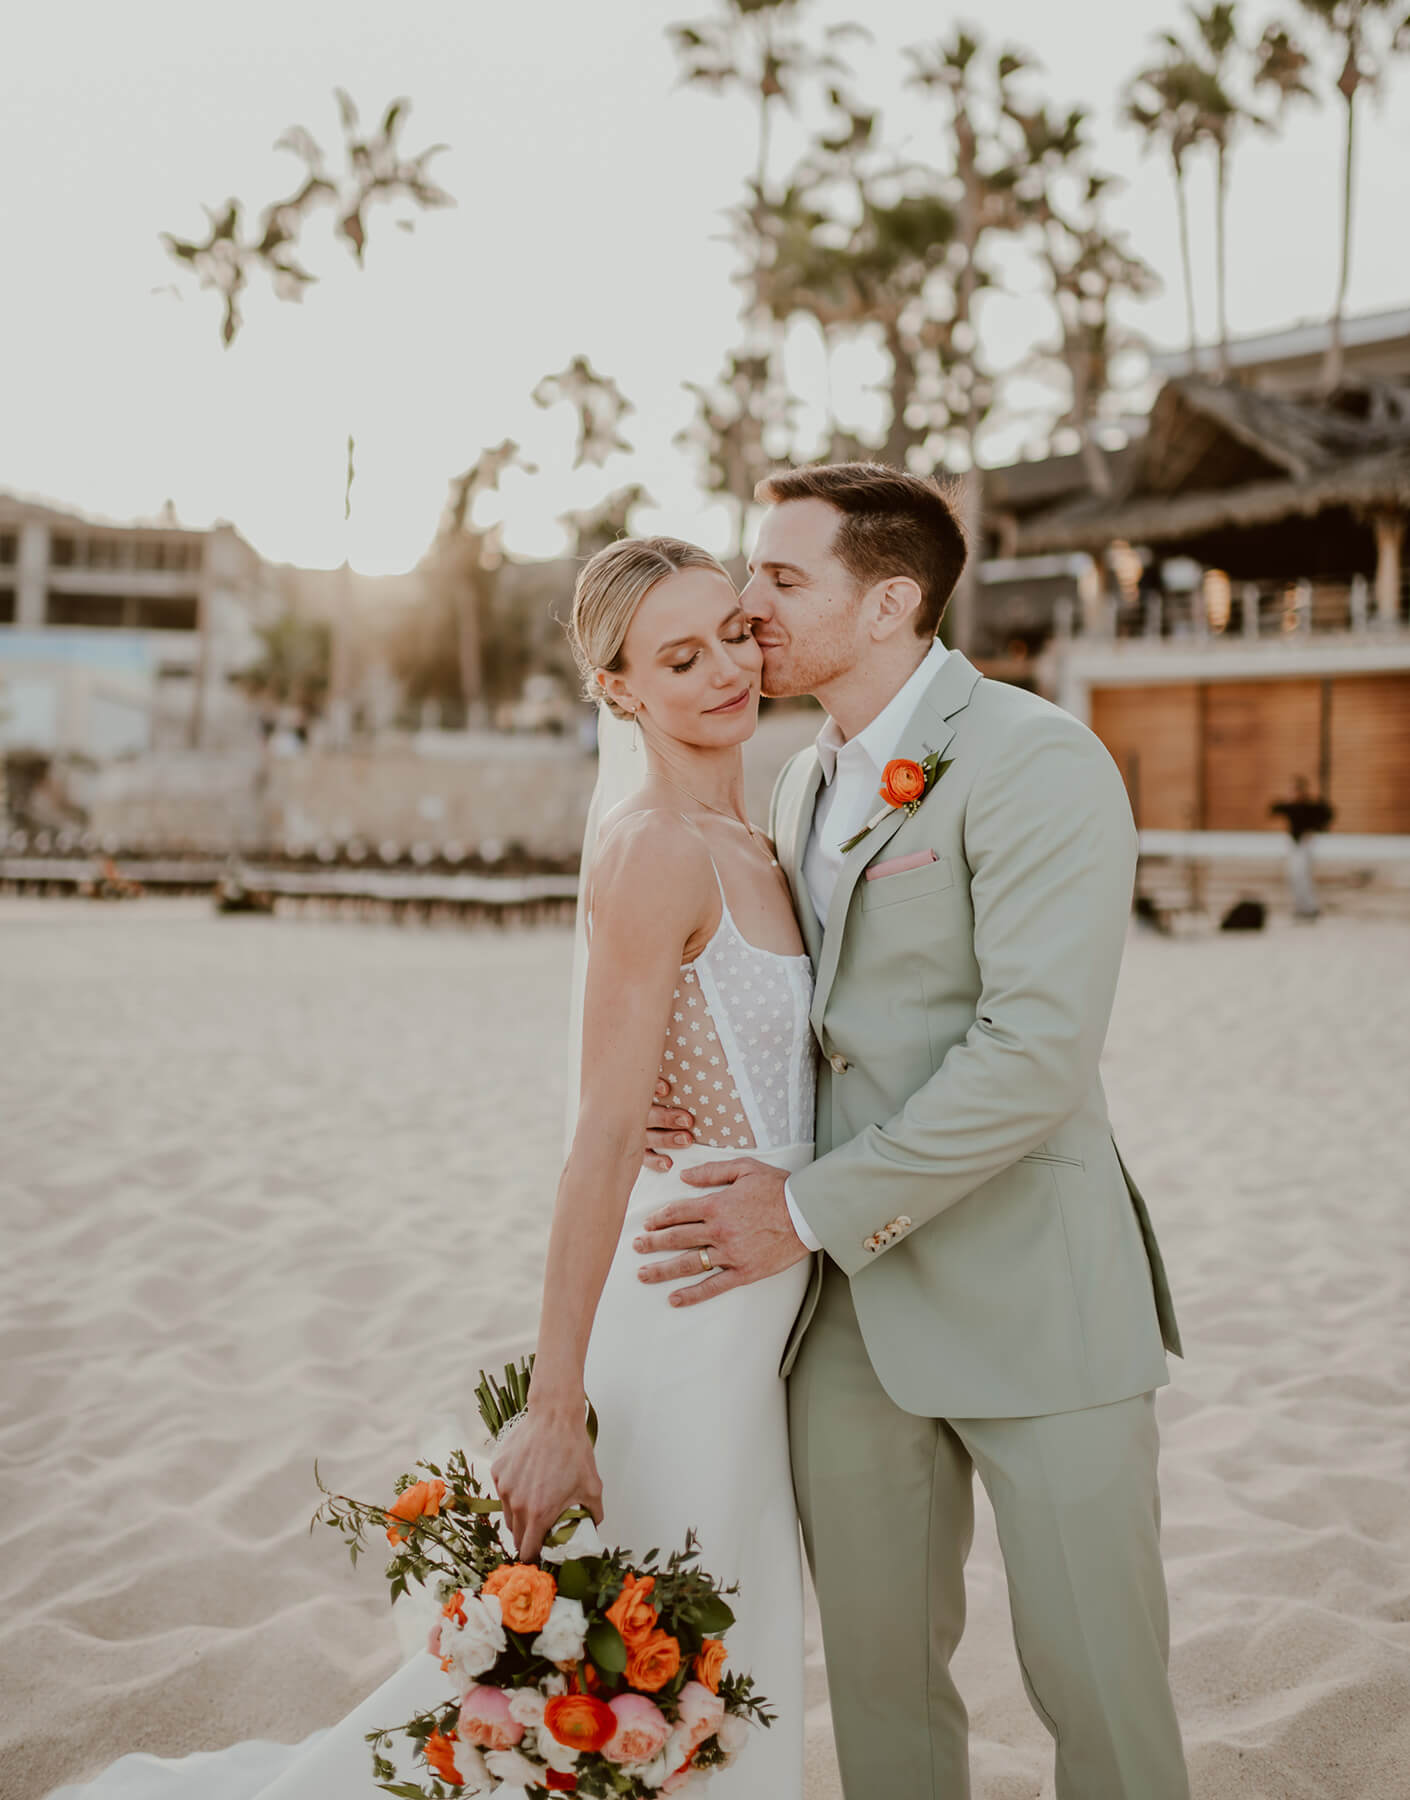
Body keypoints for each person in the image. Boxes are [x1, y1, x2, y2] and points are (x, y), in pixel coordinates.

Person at [47, 537, 816, 1800]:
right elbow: (602, 1144)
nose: (727, 669)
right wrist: (556, 1405)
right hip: (680, 1311)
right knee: (636, 1648)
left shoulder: (765, 836)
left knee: (702, 1642)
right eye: (679, 657)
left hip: (756, 1313)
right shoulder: (654, 852)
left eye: (734, 633)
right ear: (618, 688)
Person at [631, 463, 1189, 1799]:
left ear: (888, 602)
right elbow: (804, 1018)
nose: (748, 603)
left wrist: (804, 1207)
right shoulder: (796, 782)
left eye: (779, 577)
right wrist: (693, 1094)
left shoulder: (1033, 757)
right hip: (848, 1324)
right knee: (878, 1696)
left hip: (1031, 1297)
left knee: (1097, 1687)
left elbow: (1034, 1056)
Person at [1271, 776, 1334, 921]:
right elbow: (1274, 809)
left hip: (1306, 842)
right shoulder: (1291, 806)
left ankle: (1310, 907)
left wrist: (1316, 829)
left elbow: (1327, 813)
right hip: (1293, 843)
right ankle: (1299, 906)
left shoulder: (1309, 806)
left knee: (1303, 875)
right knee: (1293, 876)